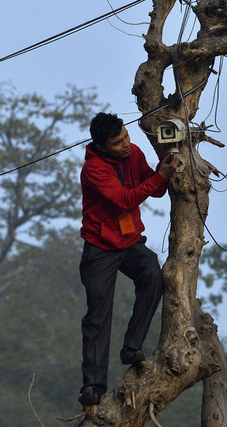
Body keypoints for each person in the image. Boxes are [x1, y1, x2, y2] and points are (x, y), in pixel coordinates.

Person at [77, 112, 179, 408]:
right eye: (117, 142)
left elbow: (154, 187)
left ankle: (132, 348)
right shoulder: (93, 170)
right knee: (97, 316)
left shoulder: (133, 152)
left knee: (153, 276)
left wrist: (163, 170)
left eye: (125, 136)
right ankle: (92, 388)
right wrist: (159, 177)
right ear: (102, 145)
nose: (126, 143)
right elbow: (124, 199)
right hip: (100, 248)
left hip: (130, 240)